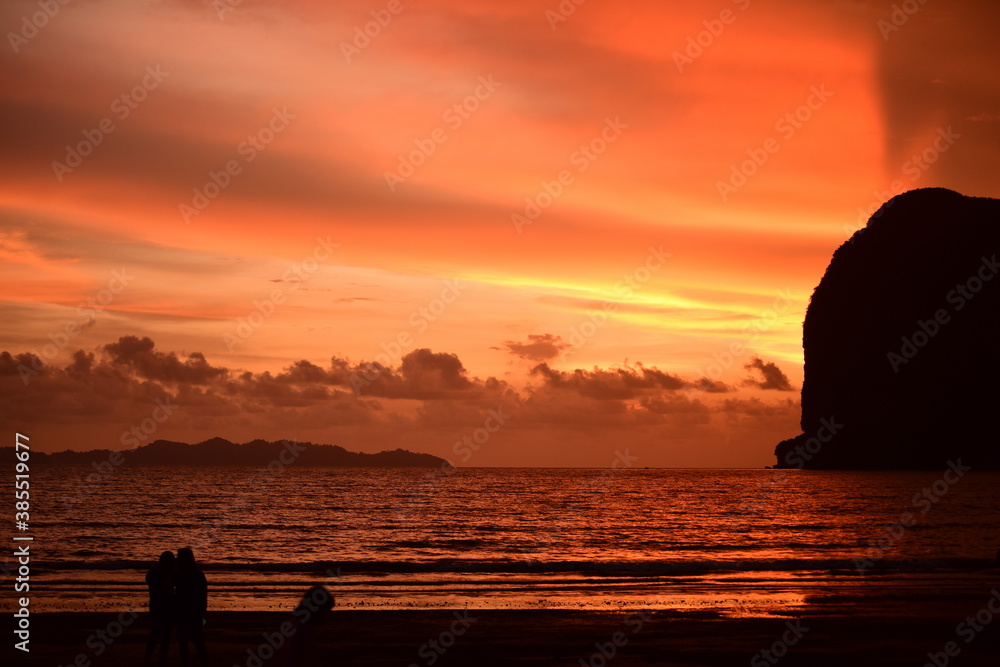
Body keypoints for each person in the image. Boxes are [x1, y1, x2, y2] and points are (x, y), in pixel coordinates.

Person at [175, 547, 208, 665]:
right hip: (194, 612)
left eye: (178, 557)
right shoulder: (198, 574)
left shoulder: (180, 575)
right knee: (197, 641)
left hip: (186, 612)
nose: (177, 560)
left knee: (185, 642)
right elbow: (203, 595)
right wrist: (203, 612)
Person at [144, 550, 175, 666]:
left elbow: (148, 579)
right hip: (167, 607)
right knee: (165, 636)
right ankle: (162, 659)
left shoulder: (153, 573)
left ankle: (148, 659)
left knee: (155, 634)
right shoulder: (169, 574)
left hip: (155, 606)